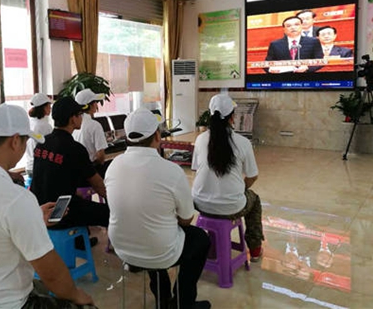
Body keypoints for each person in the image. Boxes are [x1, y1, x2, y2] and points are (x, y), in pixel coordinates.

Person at [0, 104, 95, 309]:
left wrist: (33, 219)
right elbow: (52, 275)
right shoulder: (14, 197)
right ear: (14, 141)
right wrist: (77, 295)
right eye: (25, 141)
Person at [105, 107, 211, 309]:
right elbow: (187, 218)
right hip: (158, 250)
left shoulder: (113, 166)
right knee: (200, 239)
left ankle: (162, 298)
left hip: (122, 248)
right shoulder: (171, 170)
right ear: (157, 136)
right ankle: (183, 302)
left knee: (151, 231)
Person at [191, 94, 264, 263]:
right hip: (231, 207)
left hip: (200, 204)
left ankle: (213, 246)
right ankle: (255, 250)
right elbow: (253, 176)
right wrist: (241, 188)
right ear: (233, 117)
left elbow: (195, 169)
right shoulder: (243, 142)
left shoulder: (200, 140)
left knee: (216, 197)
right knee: (255, 201)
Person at [31, 97, 109, 231]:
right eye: (79, 115)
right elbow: (98, 185)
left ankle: (79, 242)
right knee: (109, 213)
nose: (81, 118)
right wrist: (115, 200)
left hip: (37, 209)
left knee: (81, 202)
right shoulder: (74, 148)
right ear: (73, 119)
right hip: (59, 212)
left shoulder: (43, 143)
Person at [72, 89, 109, 178]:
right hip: (92, 171)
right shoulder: (95, 125)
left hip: (76, 171)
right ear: (90, 105)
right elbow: (101, 156)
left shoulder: (73, 124)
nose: (97, 105)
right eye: (95, 102)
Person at [25, 93, 53, 185]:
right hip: (40, 168)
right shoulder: (44, 126)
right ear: (44, 108)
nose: (50, 108)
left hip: (29, 166)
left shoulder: (30, 123)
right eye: (49, 106)